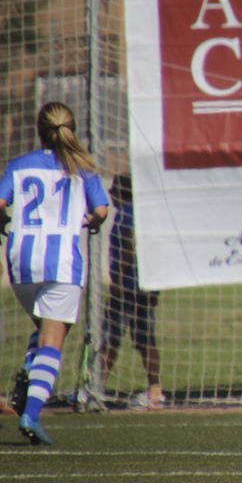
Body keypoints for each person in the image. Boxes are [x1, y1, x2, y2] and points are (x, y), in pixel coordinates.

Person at [1, 102, 109, 445]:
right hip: (61, 264)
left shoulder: (18, 165)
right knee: (53, 340)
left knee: (44, 328)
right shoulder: (83, 167)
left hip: (21, 263)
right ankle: (31, 414)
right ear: (71, 129)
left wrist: (4, 222)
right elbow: (101, 210)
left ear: (38, 130)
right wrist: (92, 221)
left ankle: (30, 371)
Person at [96, 173, 166, 410]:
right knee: (145, 339)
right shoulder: (145, 212)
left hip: (127, 287)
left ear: (118, 194)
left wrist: (118, 278)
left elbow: (130, 244)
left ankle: (97, 387)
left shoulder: (126, 213)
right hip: (145, 286)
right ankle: (155, 390)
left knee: (110, 339)